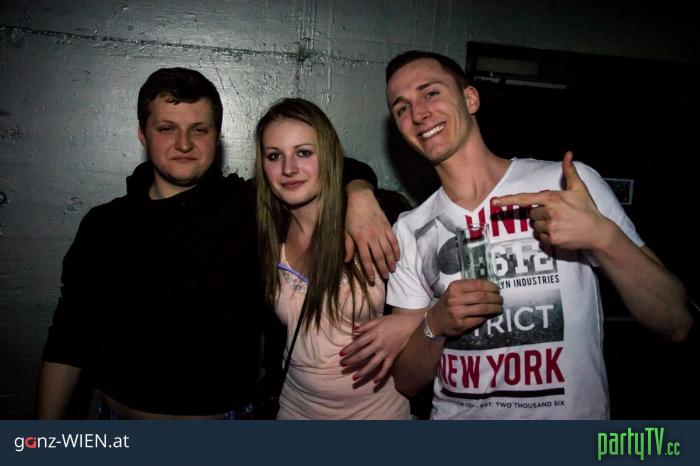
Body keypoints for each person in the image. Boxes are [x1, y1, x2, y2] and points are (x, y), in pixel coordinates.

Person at [36, 67, 398, 419]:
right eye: (166, 128)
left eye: (199, 129)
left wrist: (360, 195)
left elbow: (327, 165)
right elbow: (68, 340)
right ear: (142, 135)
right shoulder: (105, 225)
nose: (184, 143)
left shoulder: (248, 206)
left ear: (217, 136)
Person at [383, 50, 691, 419]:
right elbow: (407, 381)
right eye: (401, 108)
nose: (418, 114)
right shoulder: (410, 228)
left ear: (471, 99)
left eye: (430, 93)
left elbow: (676, 321)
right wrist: (435, 324)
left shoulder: (564, 184)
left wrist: (603, 237)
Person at [254, 98, 410, 419]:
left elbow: (446, 303)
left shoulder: (381, 220)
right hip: (294, 411)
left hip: (378, 414)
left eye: (303, 153)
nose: (288, 168)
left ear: (327, 155)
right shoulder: (264, 231)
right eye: (274, 156)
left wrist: (411, 323)